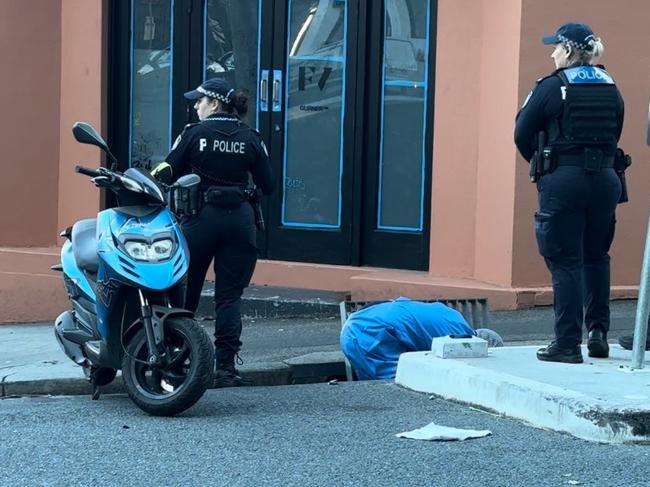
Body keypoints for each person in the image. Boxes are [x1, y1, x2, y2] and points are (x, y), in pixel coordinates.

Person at [151, 77, 274, 386]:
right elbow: (269, 184)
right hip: (240, 222)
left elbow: (165, 171)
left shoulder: (194, 134)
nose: (195, 105)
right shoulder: (252, 137)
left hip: (199, 219)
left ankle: (180, 360)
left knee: (185, 291)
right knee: (229, 297)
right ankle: (226, 368)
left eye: (200, 101)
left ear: (215, 103)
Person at [514, 23, 625, 363]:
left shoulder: (551, 87)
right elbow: (616, 131)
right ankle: (598, 334)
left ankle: (566, 344)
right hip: (606, 179)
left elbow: (521, 133)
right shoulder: (611, 86)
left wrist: (547, 163)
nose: (551, 53)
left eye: (555, 48)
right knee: (596, 257)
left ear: (567, 51)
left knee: (565, 262)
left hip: (564, 181)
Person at [340, 297, 504, 380]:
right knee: (401, 384)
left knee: (376, 385)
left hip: (361, 321)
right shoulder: (460, 341)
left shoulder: (454, 317)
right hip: (370, 331)